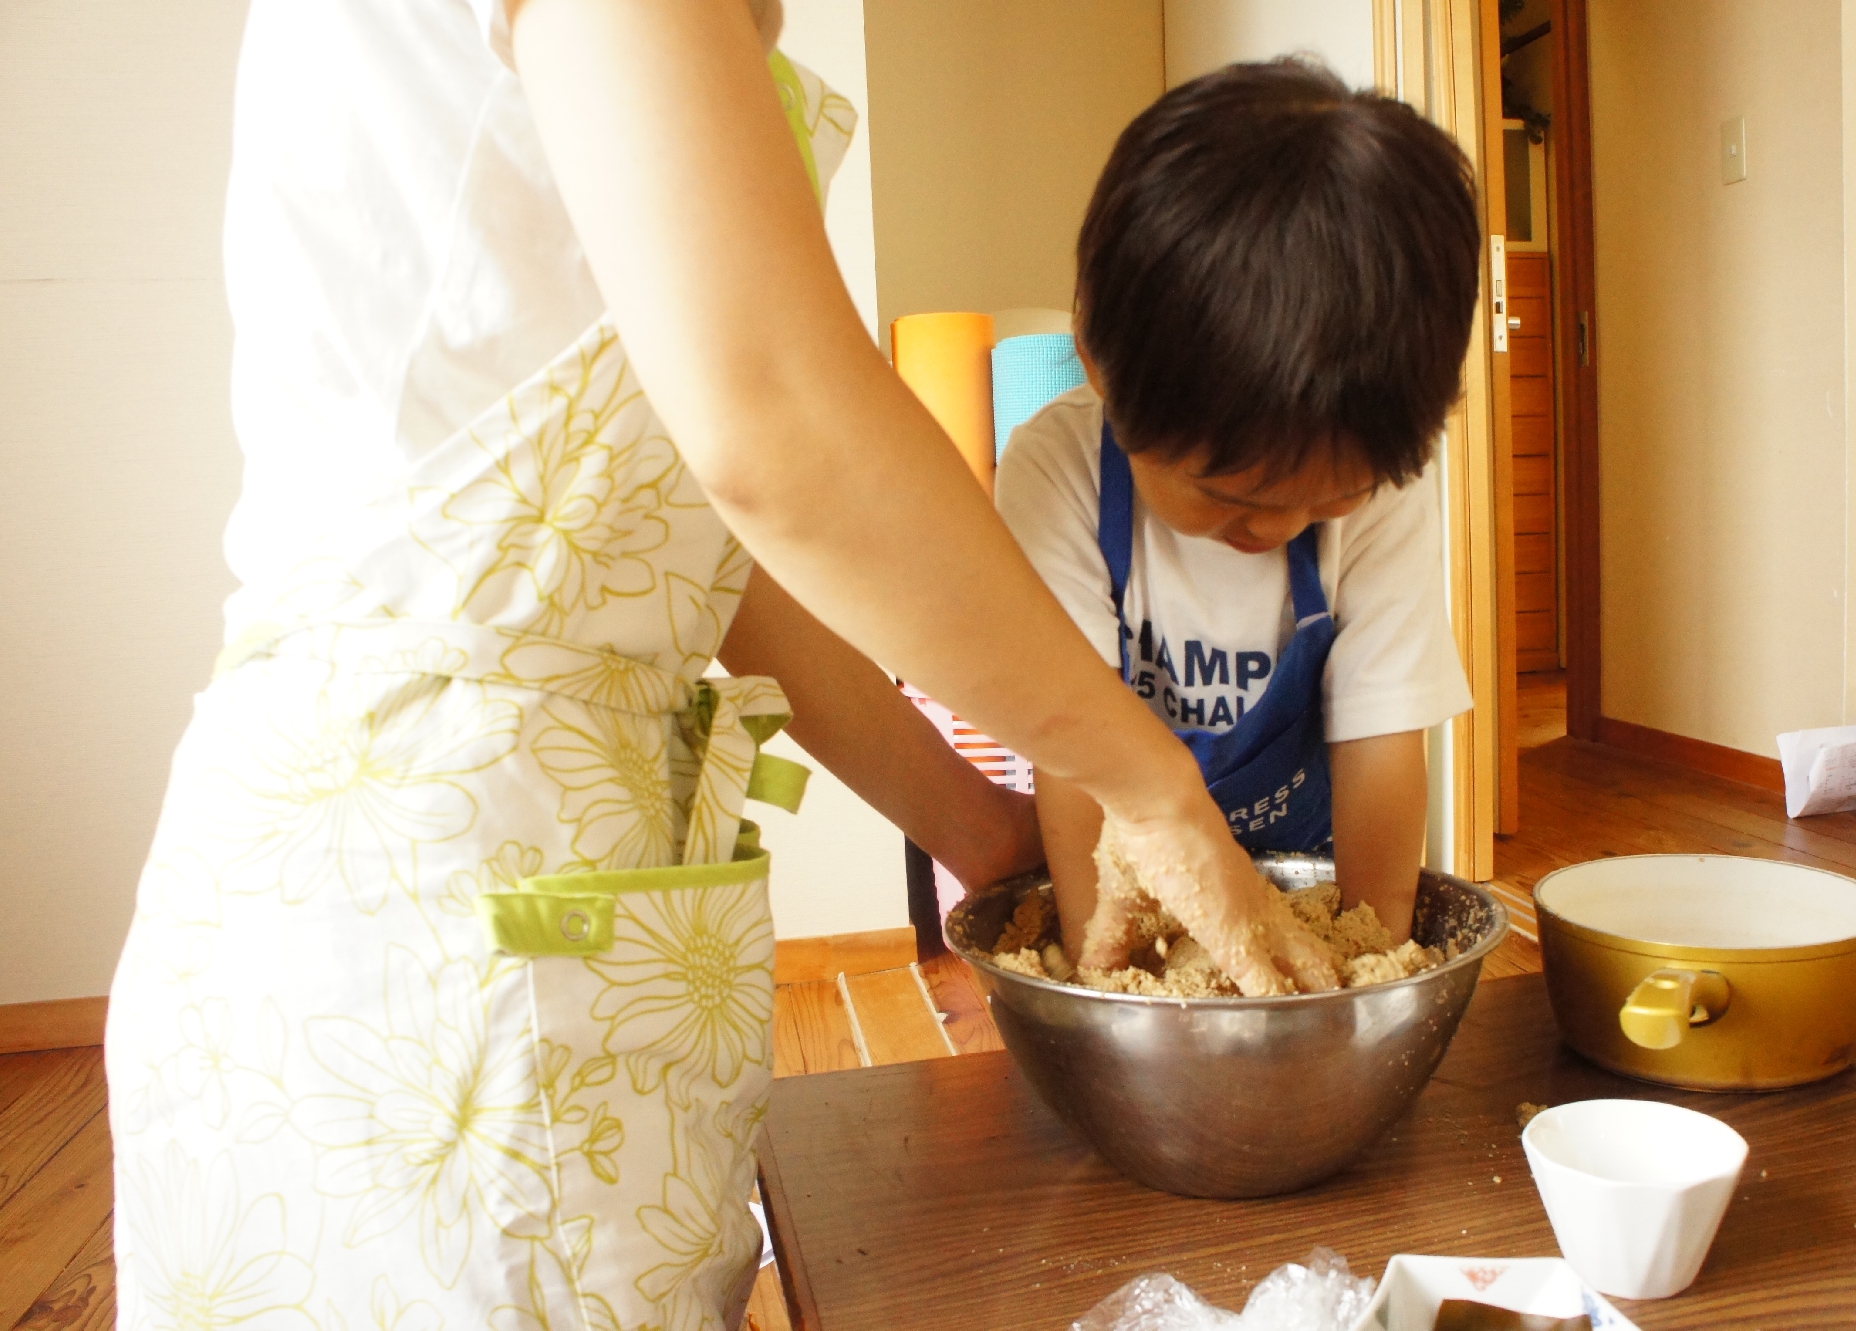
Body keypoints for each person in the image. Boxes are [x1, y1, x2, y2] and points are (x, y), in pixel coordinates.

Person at [102, 3, 1341, 1327]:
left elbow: (708, 545)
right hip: (420, 912)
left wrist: (982, 830)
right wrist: (1150, 780)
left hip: (537, 869)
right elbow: (773, 416)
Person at [995, 60, 1482, 970]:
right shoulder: (1055, 475)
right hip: (1131, 881)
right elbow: (1071, 753)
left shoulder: (1383, 490)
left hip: (1308, 875)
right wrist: (1108, 978)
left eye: (1332, 496)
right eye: (1234, 499)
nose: (1286, 528)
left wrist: (1369, 973)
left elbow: (1382, 743)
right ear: (1098, 362)